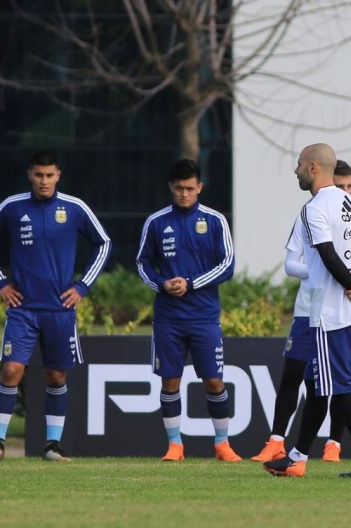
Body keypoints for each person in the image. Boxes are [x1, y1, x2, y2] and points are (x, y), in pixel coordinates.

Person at [0, 151, 111, 462]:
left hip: (60, 310)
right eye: (39, 175)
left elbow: (103, 242)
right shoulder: (11, 207)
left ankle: (52, 445)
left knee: (56, 377)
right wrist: (1, 282)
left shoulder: (75, 208)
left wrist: (82, 286)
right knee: (11, 370)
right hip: (23, 309)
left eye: (49, 175)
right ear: (30, 175)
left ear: (58, 175)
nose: (44, 181)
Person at [264, 143, 351, 479]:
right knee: (318, 383)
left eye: (300, 164)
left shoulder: (314, 207)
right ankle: (296, 458)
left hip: (331, 314)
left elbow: (328, 256)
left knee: (344, 388)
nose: (296, 170)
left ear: (314, 167)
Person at [136, 158, 242, 462]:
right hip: (168, 317)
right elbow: (142, 263)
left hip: (205, 316)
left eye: (190, 188)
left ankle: (222, 444)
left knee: (213, 380)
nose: (185, 194)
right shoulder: (156, 222)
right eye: (179, 188)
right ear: (171, 187)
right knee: (170, 380)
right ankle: (175, 445)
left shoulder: (214, 220)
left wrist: (191, 283)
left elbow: (227, 265)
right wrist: (161, 284)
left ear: (200, 187)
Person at [251, 160, 351, 463]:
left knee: (337, 382)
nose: (345, 191)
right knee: (295, 374)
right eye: (341, 185)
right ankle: (276, 442)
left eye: (350, 186)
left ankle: (333, 444)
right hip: (308, 310)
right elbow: (290, 264)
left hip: (344, 311)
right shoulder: (310, 213)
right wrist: (323, 268)